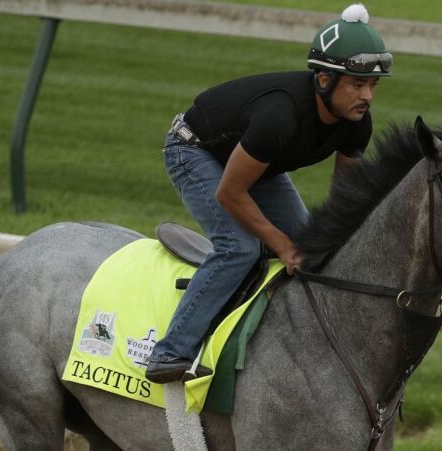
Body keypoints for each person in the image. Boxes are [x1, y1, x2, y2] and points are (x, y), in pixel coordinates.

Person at [145, 3, 393, 383]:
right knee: (239, 247)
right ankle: (170, 352)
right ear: (324, 81)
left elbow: (346, 202)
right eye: (357, 84)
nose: (367, 97)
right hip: (194, 150)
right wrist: (281, 244)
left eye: (372, 85)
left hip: (258, 164)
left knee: (313, 249)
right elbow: (230, 193)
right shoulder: (280, 116)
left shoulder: (356, 124)